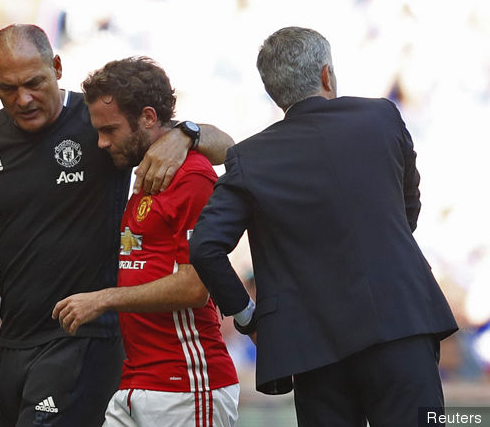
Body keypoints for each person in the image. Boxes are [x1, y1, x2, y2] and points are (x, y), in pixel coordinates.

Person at [0, 24, 233, 427]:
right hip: (14, 339)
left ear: (57, 67)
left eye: (33, 83)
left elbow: (229, 149)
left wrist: (188, 134)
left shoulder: (101, 121)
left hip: (87, 336)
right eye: (8, 89)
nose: (24, 98)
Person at [189, 26, 458, 427]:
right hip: (401, 325)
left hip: (314, 349)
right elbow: (408, 211)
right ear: (327, 75)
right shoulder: (381, 117)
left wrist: (248, 317)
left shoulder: (250, 158)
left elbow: (205, 246)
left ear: (274, 92)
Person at [52, 57, 239, 427]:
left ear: (149, 118)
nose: (102, 143)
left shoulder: (192, 175)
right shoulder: (146, 172)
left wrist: (104, 298)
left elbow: (195, 287)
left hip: (187, 383)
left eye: (110, 130)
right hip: (137, 380)